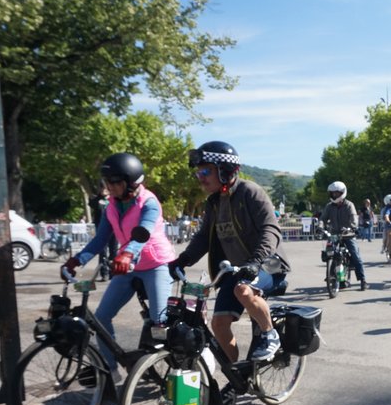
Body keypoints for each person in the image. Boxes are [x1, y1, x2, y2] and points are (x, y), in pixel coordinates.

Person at [169, 141, 291, 362]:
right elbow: (203, 237)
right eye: (198, 173)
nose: (201, 177)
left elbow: (270, 229)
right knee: (218, 323)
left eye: (205, 171)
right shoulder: (214, 202)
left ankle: (270, 334)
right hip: (237, 269)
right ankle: (236, 376)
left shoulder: (250, 192)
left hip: (268, 264)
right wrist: (183, 259)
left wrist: (256, 261)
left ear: (224, 170)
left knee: (244, 291)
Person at [62, 153, 175, 381]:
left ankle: (185, 363)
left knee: (159, 323)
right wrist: (77, 260)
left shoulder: (149, 203)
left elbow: (143, 234)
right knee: (102, 317)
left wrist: (126, 254)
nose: (110, 187)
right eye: (106, 182)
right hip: (128, 266)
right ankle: (111, 370)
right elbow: (100, 239)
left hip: (155, 264)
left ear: (132, 183)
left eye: (115, 182)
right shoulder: (111, 207)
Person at [320, 181, 367, 291]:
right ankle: (332, 276)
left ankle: (362, 279)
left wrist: (352, 227)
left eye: (337, 193)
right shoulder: (329, 206)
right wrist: (320, 226)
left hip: (348, 234)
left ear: (342, 193)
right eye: (333, 193)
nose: (334, 195)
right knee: (329, 252)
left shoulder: (349, 205)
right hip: (334, 234)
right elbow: (323, 218)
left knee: (355, 254)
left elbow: (354, 217)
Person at [87, 181, 117, 281]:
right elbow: (93, 204)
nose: (104, 190)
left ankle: (113, 273)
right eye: (102, 188)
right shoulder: (96, 199)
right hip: (101, 228)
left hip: (114, 228)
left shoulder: (113, 199)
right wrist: (100, 196)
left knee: (114, 251)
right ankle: (104, 273)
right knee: (102, 252)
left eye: (105, 188)